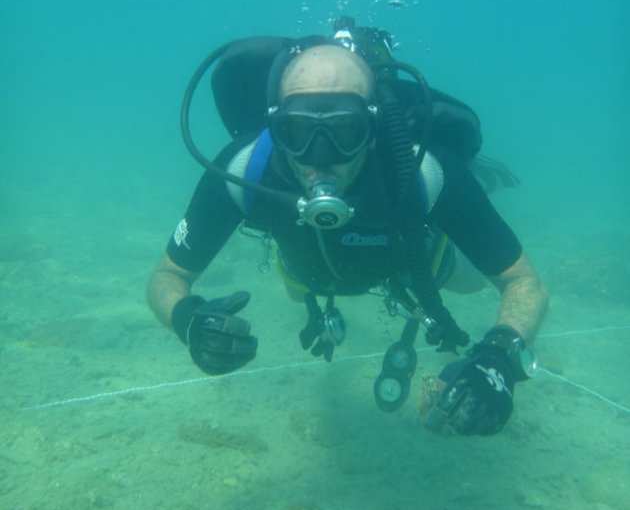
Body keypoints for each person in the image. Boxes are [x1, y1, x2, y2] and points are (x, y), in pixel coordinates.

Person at [147, 25, 548, 437]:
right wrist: (188, 320)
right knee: (298, 284)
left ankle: (477, 178)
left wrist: (499, 356)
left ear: (372, 128)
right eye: (298, 132)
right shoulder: (243, 170)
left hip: (418, 260)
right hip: (304, 269)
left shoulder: (426, 171)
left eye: (345, 132)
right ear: (275, 126)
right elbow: (168, 276)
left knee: (473, 283)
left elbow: (523, 282)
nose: (320, 160)